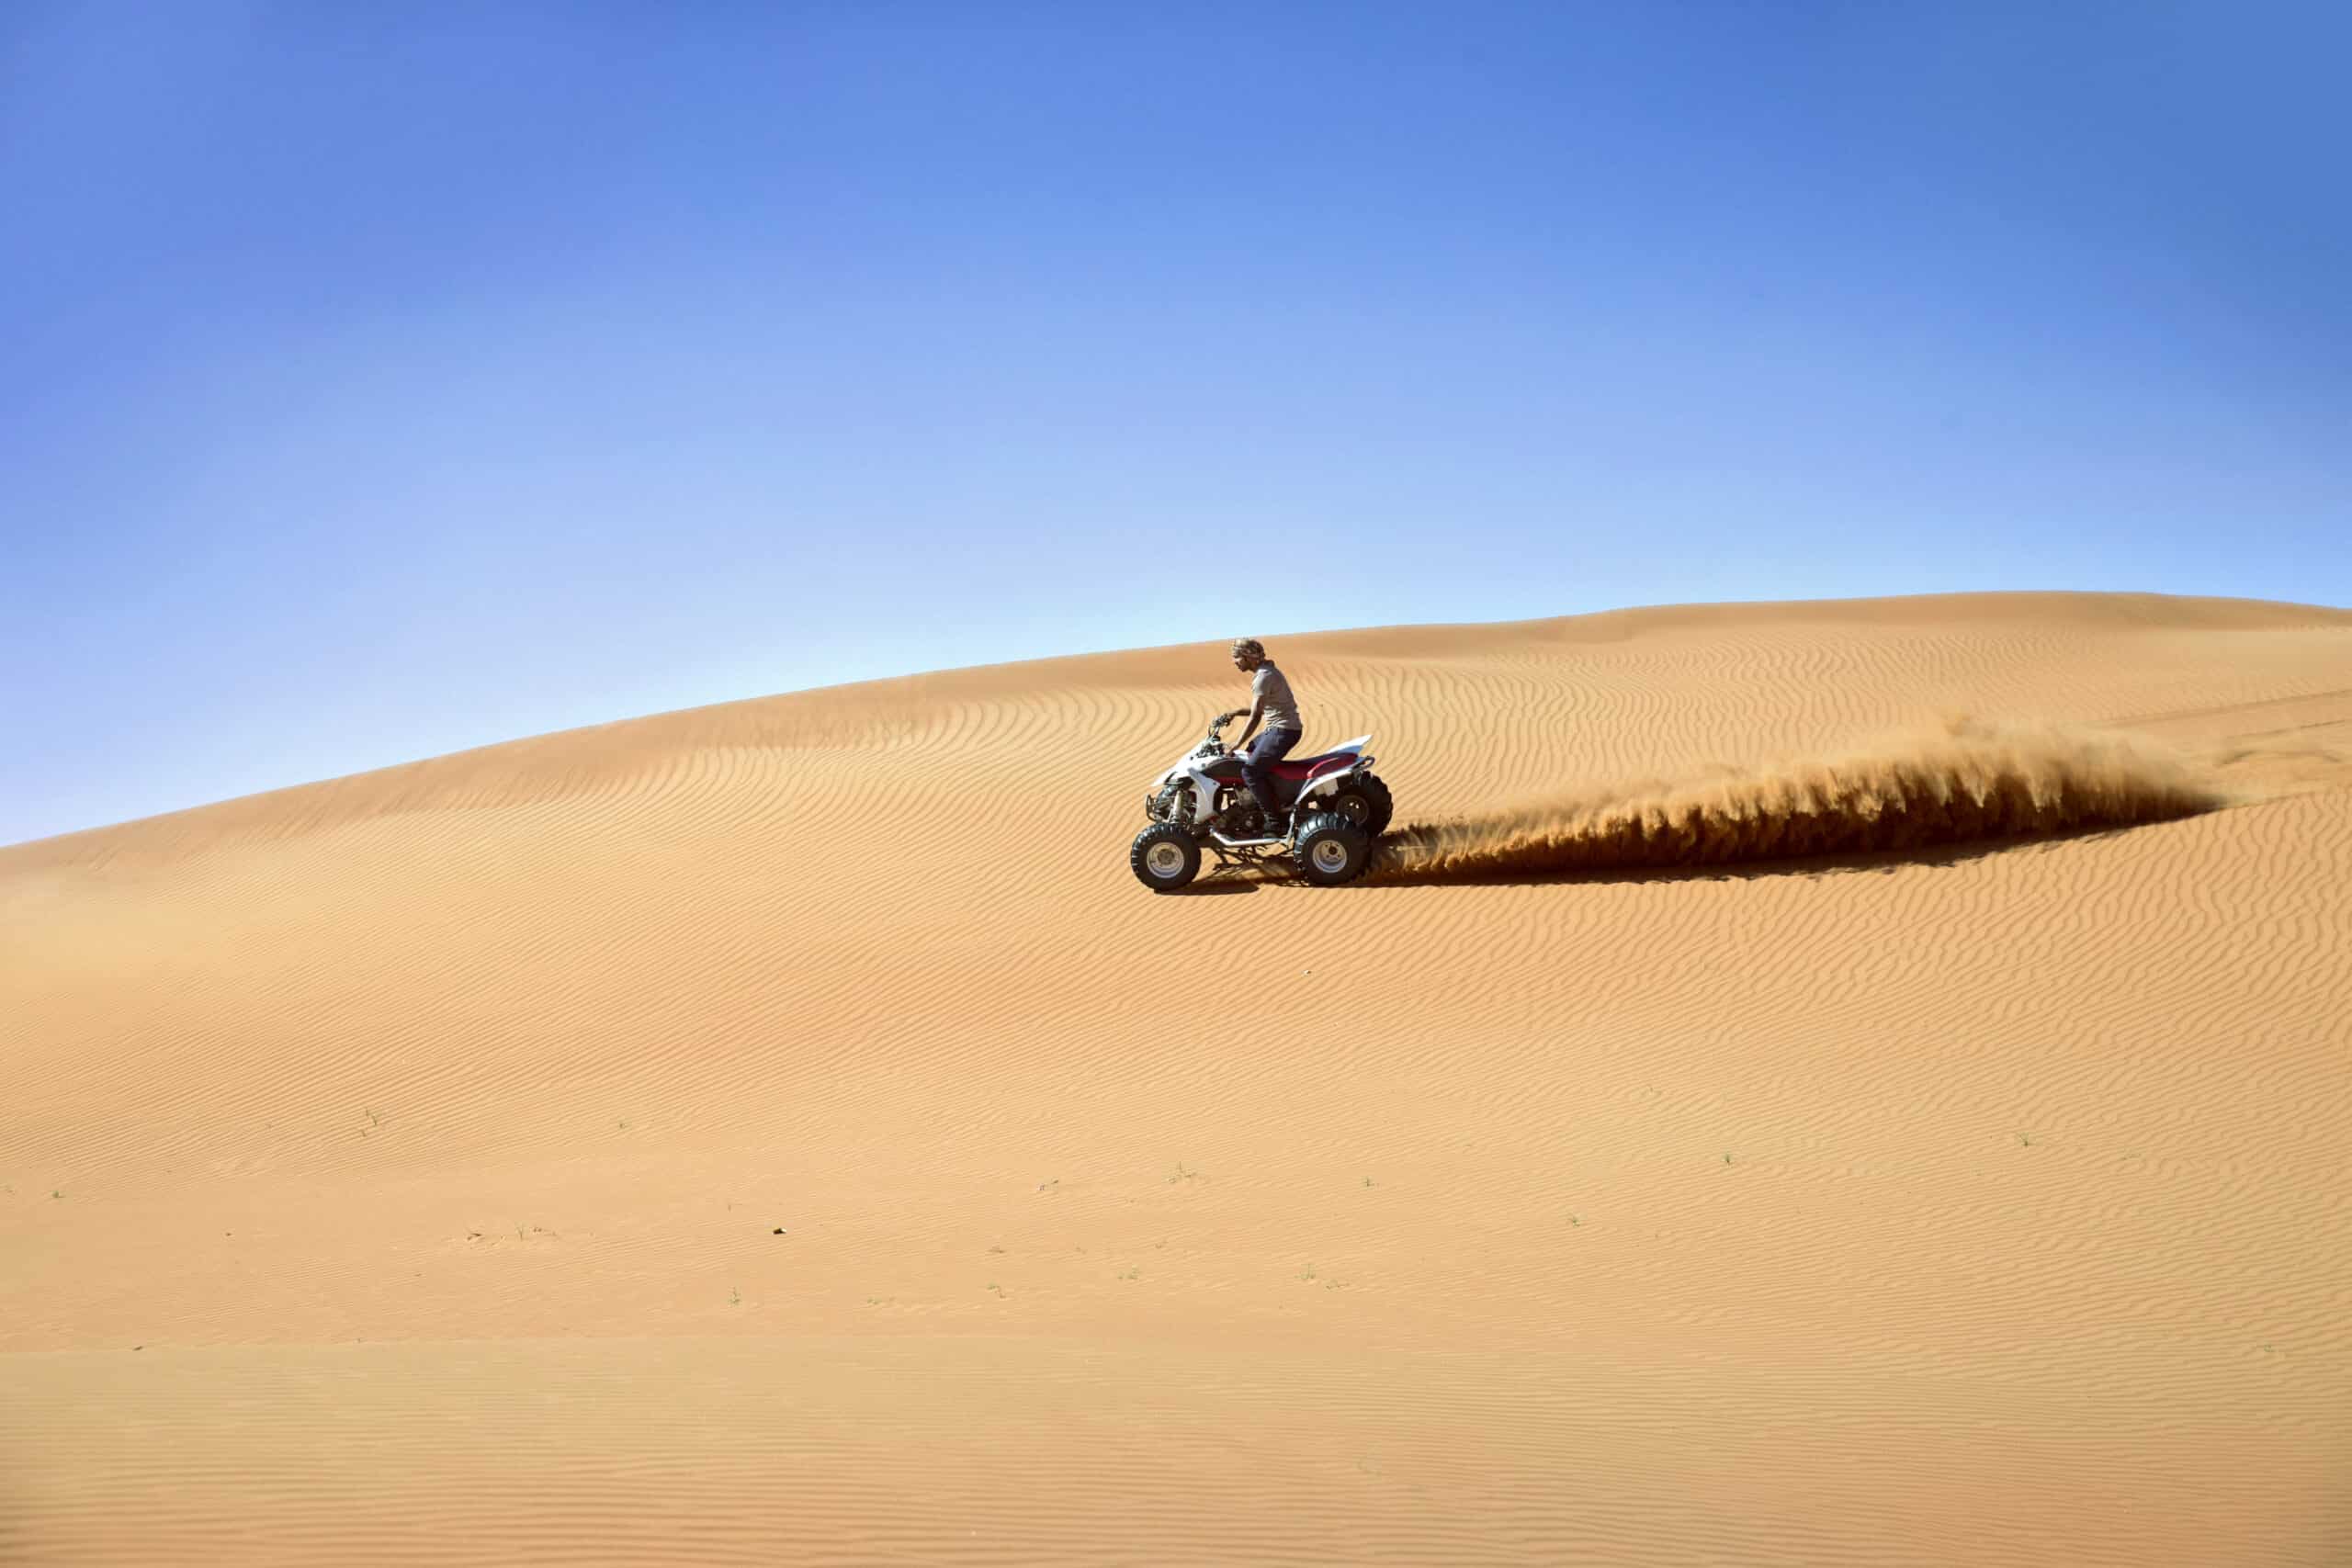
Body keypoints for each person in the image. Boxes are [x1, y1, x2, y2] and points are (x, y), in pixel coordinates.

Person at [1227, 637, 1303, 838]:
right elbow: (1259, 709)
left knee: (1250, 771)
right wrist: (1234, 712)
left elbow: (1256, 716)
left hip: (1283, 730)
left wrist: (1236, 743)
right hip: (1278, 728)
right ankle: (1267, 799)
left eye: (1236, 657)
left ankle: (1274, 821)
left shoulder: (1263, 677)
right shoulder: (1265, 673)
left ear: (1248, 657)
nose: (1234, 661)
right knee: (1251, 751)